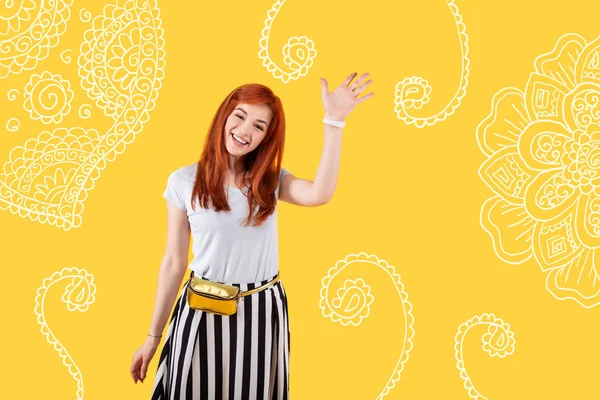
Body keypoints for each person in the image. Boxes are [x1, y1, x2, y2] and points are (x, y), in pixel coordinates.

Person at [130, 72, 375, 399]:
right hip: (201, 308)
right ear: (224, 116)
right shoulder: (183, 181)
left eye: (259, 126)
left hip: (261, 310)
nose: (245, 131)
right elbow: (174, 263)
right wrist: (152, 337)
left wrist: (334, 122)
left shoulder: (270, 181)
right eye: (240, 116)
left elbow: (320, 194)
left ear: (266, 138)